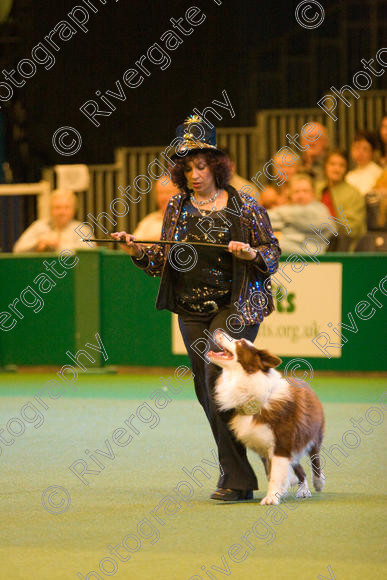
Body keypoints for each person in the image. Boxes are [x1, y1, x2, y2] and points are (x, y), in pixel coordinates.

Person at [111, 116, 281, 501]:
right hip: (189, 306)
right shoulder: (176, 206)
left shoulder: (244, 204)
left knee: (211, 374)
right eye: (186, 168)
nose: (193, 175)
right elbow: (163, 260)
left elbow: (272, 254)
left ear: (216, 165)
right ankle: (243, 470)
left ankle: (256, 466)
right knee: (209, 392)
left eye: (200, 166)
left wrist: (252, 252)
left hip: (236, 304)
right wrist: (137, 249)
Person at [268, 173, 332, 254]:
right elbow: (266, 220)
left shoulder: (320, 209)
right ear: (290, 194)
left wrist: (280, 236)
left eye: (305, 191)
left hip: (315, 257)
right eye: (296, 192)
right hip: (288, 255)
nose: (301, 195)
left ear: (313, 193)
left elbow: (301, 215)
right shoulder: (287, 210)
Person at [316, 150, 366, 250]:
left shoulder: (353, 194)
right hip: (313, 239)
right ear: (325, 166)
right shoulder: (317, 188)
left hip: (340, 244)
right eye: (332, 164)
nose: (337, 168)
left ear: (346, 169)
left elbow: (352, 228)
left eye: (341, 165)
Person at [13, 189, 91, 253]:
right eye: (58, 207)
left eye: (66, 208)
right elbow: (17, 250)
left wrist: (58, 245)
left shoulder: (82, 230)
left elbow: (88, 254)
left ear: (73, 210)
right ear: (50, 210)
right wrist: (38, 242)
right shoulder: (39, 226)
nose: (62, 212)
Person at [345, 130, 383, 195]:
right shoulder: (349, 176)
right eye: (356, 147)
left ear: (372, 152)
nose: (360, 153)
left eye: (365, 149)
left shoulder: (378, 174)